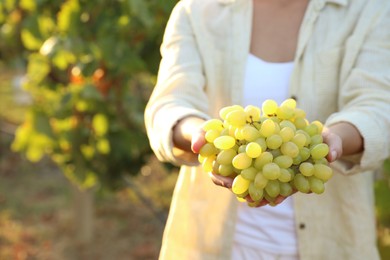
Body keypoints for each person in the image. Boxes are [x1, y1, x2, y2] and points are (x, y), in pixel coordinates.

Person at [144, 0, 390, 259]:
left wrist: (336, 138)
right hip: (213, 246)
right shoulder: (197, 10)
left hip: (333, 245)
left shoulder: (371, 9)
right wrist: (201, 136)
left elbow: (379, 107)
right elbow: (168, 104)